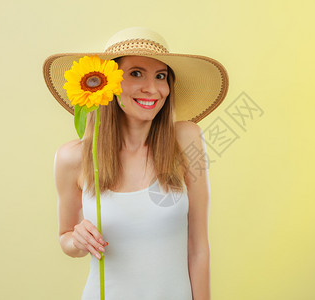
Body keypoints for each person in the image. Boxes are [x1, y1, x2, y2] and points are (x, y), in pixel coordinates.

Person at [43, 27, 229, 299]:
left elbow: (198, 247)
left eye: (161, 76)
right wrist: (76, 239)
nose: (152, 89)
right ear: (107, 83)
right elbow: (65, 238)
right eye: (135, 73)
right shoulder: (73, 158)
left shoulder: (187, 140)